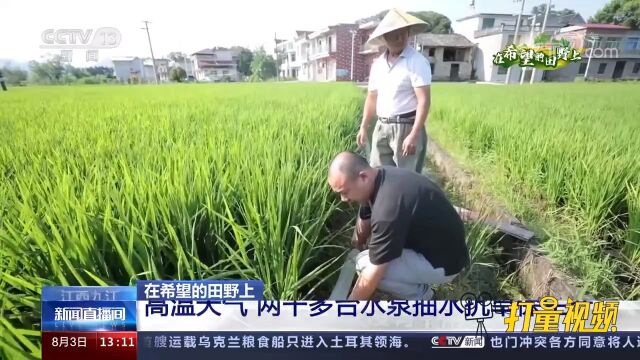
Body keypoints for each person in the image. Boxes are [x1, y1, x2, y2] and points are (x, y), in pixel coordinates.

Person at [328, 151, 469, 300]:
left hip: (445, 263)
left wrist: (346, 310)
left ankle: (423, 298)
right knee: (370, 253)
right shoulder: (380, 175)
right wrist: (358, 243)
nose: (343, 199)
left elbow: (371, 275)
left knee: (364, 265)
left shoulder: (388, 209)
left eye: (345, 192)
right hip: (445, 248)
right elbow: (365, 215)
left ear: (363, 177)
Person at [357, 8, 432, 173]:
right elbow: (371, 98)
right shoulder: (378, 65)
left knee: (407, 178)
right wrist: (364, 126)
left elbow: (424, 101)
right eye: (394, 34)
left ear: (408, 33)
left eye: (403, 33)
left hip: (406, 127)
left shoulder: (417, 62)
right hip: (381, 126)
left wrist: (414, 134)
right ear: (384, 37)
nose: (399, 38)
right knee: (379, 175)